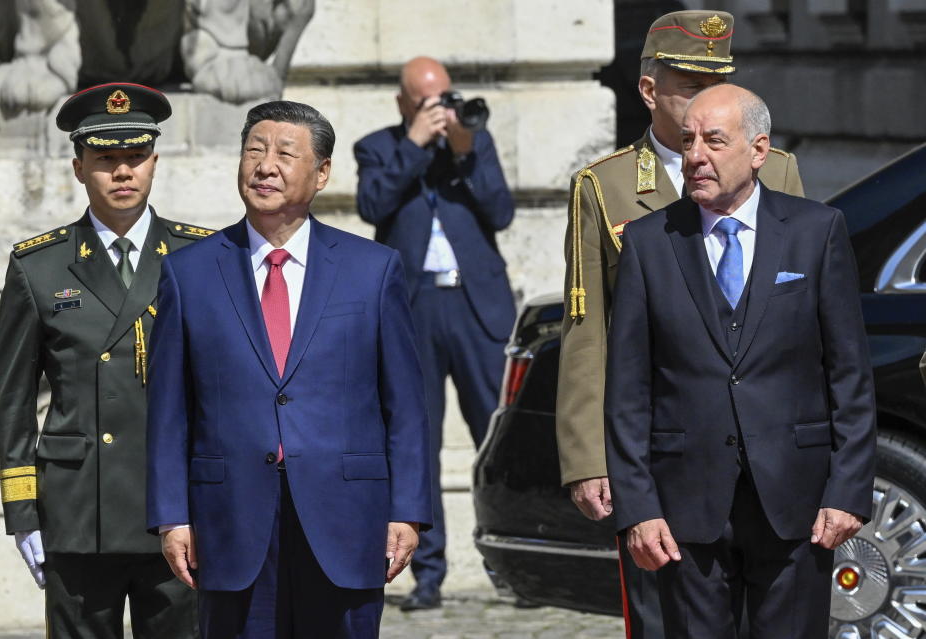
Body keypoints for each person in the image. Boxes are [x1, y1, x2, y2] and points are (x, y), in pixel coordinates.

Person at [554, 10, 805, 636]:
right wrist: (589, 457)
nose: (708, 98)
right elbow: (589, 330)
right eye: (690, 86)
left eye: (717, 81)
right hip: (663, 447)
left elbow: (805, 320)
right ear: (649, 90)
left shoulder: (776, 168)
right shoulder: (605, 186)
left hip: (766, 447)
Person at [146, 100, 432, 638]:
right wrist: (172, 516)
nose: (265, 166)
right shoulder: (189, 273)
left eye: (284, 153)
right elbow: (168, 411)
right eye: (254, 150)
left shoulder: (372, 269)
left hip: (346, 518)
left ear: (322, 173)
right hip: (229, 520)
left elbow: (407, 407)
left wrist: (407, 511)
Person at [605, 83, 876, 638]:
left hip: (796, 504)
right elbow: (627, 389)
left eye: (714, 140)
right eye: (687, 141)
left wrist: (847, 491)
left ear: (758, 150)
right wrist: (638, 506)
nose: (695, 155)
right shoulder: (649, 242)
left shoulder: (815, 231)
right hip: (685, 508)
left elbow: (849, 373)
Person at [0, 82, 207, 638]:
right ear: (78, 167)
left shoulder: (200, 257)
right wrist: (23, 513)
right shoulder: (39, 266)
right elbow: (12, 402)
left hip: (176, 509)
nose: (123, 172)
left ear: (155, 162)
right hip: (80, 511)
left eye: (135, 157)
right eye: (106, 159)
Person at [353, 56, 515, 610]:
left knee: (498, 440)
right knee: (414, 442)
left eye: (446, 97)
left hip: (475, 306)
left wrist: (466, 153)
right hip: (412, 309)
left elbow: (502, 211)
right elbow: (373, 205)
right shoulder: (378, 146)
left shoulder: (473, 141)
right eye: (427, 101)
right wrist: (416, 145)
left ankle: (512, 563)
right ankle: (428, 573)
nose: (442, 109)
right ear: (403, 103)